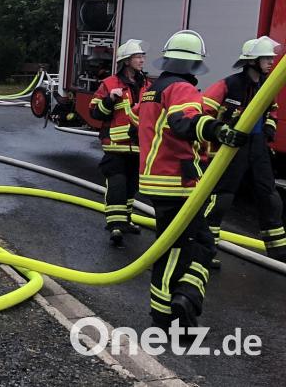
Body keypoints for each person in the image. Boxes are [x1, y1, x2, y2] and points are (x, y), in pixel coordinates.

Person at [138, 30, 247, 328]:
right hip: (176, 180)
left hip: (156, 179)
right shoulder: (182, 88)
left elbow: (146, 124)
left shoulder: (152, 89)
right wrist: (218, 130)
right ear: (194, 63)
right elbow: (183, 122)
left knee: (187, 244)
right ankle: (178, 307)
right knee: (185, 247)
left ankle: (171, 308)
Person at [203, 36, 286, 265]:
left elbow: (272, 110)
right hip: (232, 147)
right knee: (222, 197)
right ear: (252, 61)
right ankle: (205, 249)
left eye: (271, 58)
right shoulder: (229, 85)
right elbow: (203, 109)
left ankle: (279, 252)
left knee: (270, 197)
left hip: (257, 146)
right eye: (266, 58)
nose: (271, 62)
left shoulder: (267, 85)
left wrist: (269, 129)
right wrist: (220, 130)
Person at [89, 39, 150, 247]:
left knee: (132, 187)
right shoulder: (110, 84)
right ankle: (115, 225)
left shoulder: (147, 85)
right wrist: (109, 100)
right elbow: (95, 112)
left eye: (142, 56)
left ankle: (126, 219)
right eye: (137, 57)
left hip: (138, 146)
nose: (142, 60)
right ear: (126, 61)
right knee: (117, 184)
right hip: (115, 146)